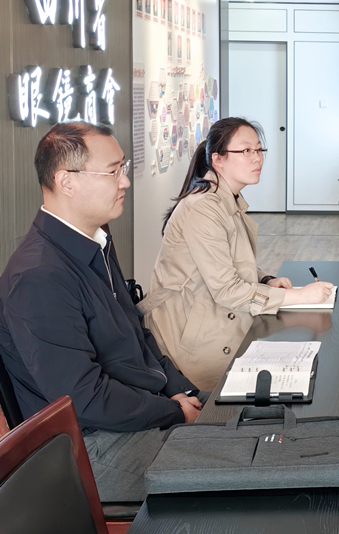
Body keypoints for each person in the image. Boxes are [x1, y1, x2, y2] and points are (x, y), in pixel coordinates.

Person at [0, 122, 202, 502]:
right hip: (93, 449)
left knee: (245, 417)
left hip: (139, 413)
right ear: (66, 181)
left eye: (122, 168)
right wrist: (173, 412)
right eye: (112, 172)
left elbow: (137, 333)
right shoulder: (39, 276)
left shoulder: (96, 241)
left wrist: (182, 391)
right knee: (236, 469)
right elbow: (85, 399)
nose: (124, 182)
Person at [142, 118, 333, 390]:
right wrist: (301, 296)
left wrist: (265, 279)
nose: (257, 158)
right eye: (246, 151)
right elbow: (226, 289)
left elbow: (226, 262)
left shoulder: (224, 198)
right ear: (218, 159)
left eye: (259, 150)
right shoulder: (203, 207)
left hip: (218, 320)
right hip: (194, 341)